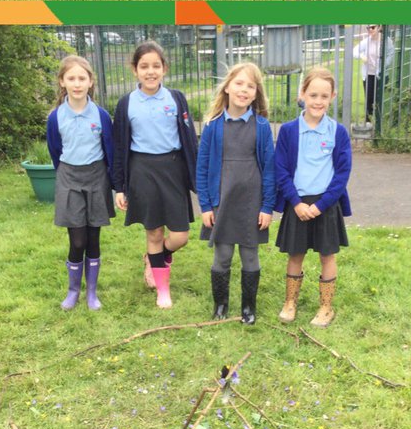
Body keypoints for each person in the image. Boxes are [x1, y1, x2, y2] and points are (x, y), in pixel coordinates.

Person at [112, 41, 199, 309]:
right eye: (144, 66)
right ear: (135, 70)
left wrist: (198, 178)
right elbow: (118, 147)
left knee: (180, 235)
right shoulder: (126, 103)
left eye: (156, 66)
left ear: (164, 69)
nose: (150, 72)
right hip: (142, 170)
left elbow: (189, 140)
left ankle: (156, 258)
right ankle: (163, 290)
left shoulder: (176, 98)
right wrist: (119, 187)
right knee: (154, 233)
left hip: (172, 170)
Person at [196, 63, 276, 324]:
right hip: (222, 202)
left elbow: (270, 170)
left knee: (250, 256)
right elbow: (202, 167)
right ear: (228, 87)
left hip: (251, 204)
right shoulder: (212, 126)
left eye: (250, 86)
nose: (244, 90)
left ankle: (248, 308)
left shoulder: (262, 127)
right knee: (223, 255)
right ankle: (220, 306)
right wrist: (206, 205)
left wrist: (267, 207)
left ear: (256, 93)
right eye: (239, 84)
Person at [273, 66, 352, 327]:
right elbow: (281, 169)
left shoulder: (337, 132)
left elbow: (342, 173)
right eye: (313, 95)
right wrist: (295, 202)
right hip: (297, 204)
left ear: (332, 97)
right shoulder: (288, 131)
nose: (318, 101)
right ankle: (290, 302)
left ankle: (326, 307)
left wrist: (320, 206)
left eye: (324, 96)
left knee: (327, 255)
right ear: (303, 94)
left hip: (325, 205)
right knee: (295, 254)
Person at [45, 55, 114, 312]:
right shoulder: (55, 118)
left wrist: (116, 185)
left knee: (93, 239)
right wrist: (67, 172)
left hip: (97, 178)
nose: (77, 83)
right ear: (62, 82)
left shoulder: (102, 116)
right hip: (69, 178)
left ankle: (92, 293)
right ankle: (73, 290)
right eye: (71, 78)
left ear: (90, 82)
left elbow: (109, 150)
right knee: (77, 241)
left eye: (82, 78)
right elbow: (55, 149)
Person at [352, 25, 393, 126]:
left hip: (381, 75)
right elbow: (354, 51)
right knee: (369, 99)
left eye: (372, 27)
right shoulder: (366, 41)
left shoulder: (386, 41)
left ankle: (380, 124)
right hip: (368, 75)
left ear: (379, 27)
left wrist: (382, 66)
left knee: (379, 99)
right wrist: (361, 56)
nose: (370, 29)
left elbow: (390, 55)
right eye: (368, 27)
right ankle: (368, 123)